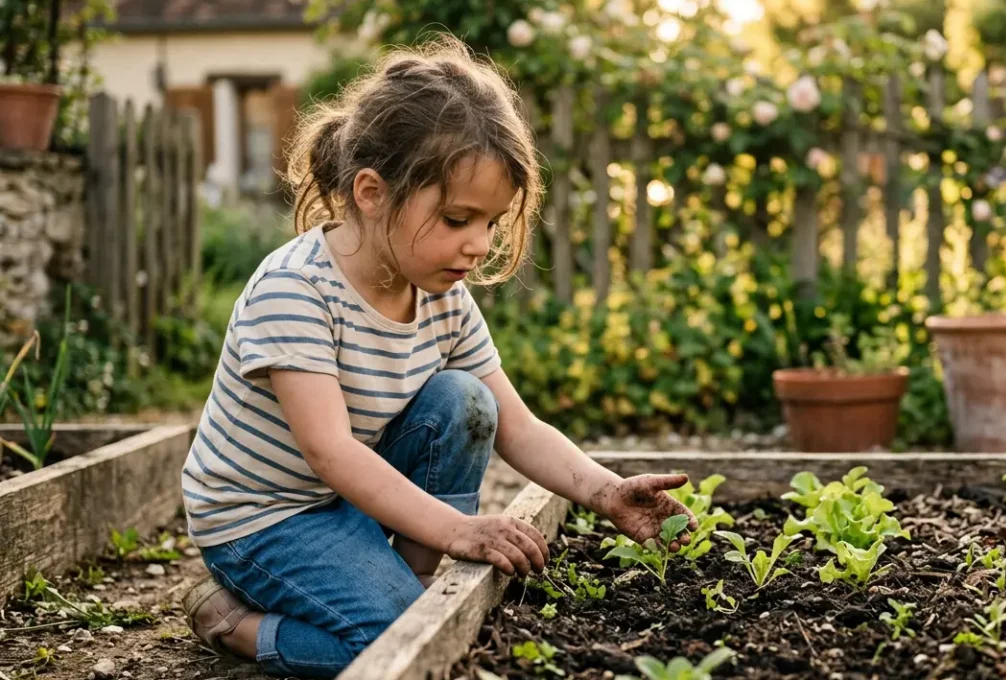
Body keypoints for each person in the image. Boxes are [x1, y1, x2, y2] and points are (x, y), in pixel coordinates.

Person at [179, 37, 695, 679]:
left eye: (491, 222)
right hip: (263, 518)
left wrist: (607, 491)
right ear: (370, 192)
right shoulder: (296, 291)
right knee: (398, 642)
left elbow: (518, 426)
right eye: (457, 219)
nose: (478, 245)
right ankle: (238, 626)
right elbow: (330, 453)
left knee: (465, 400)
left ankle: (409, 579)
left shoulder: (440, 295)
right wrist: (458, 528)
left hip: (341, 498)